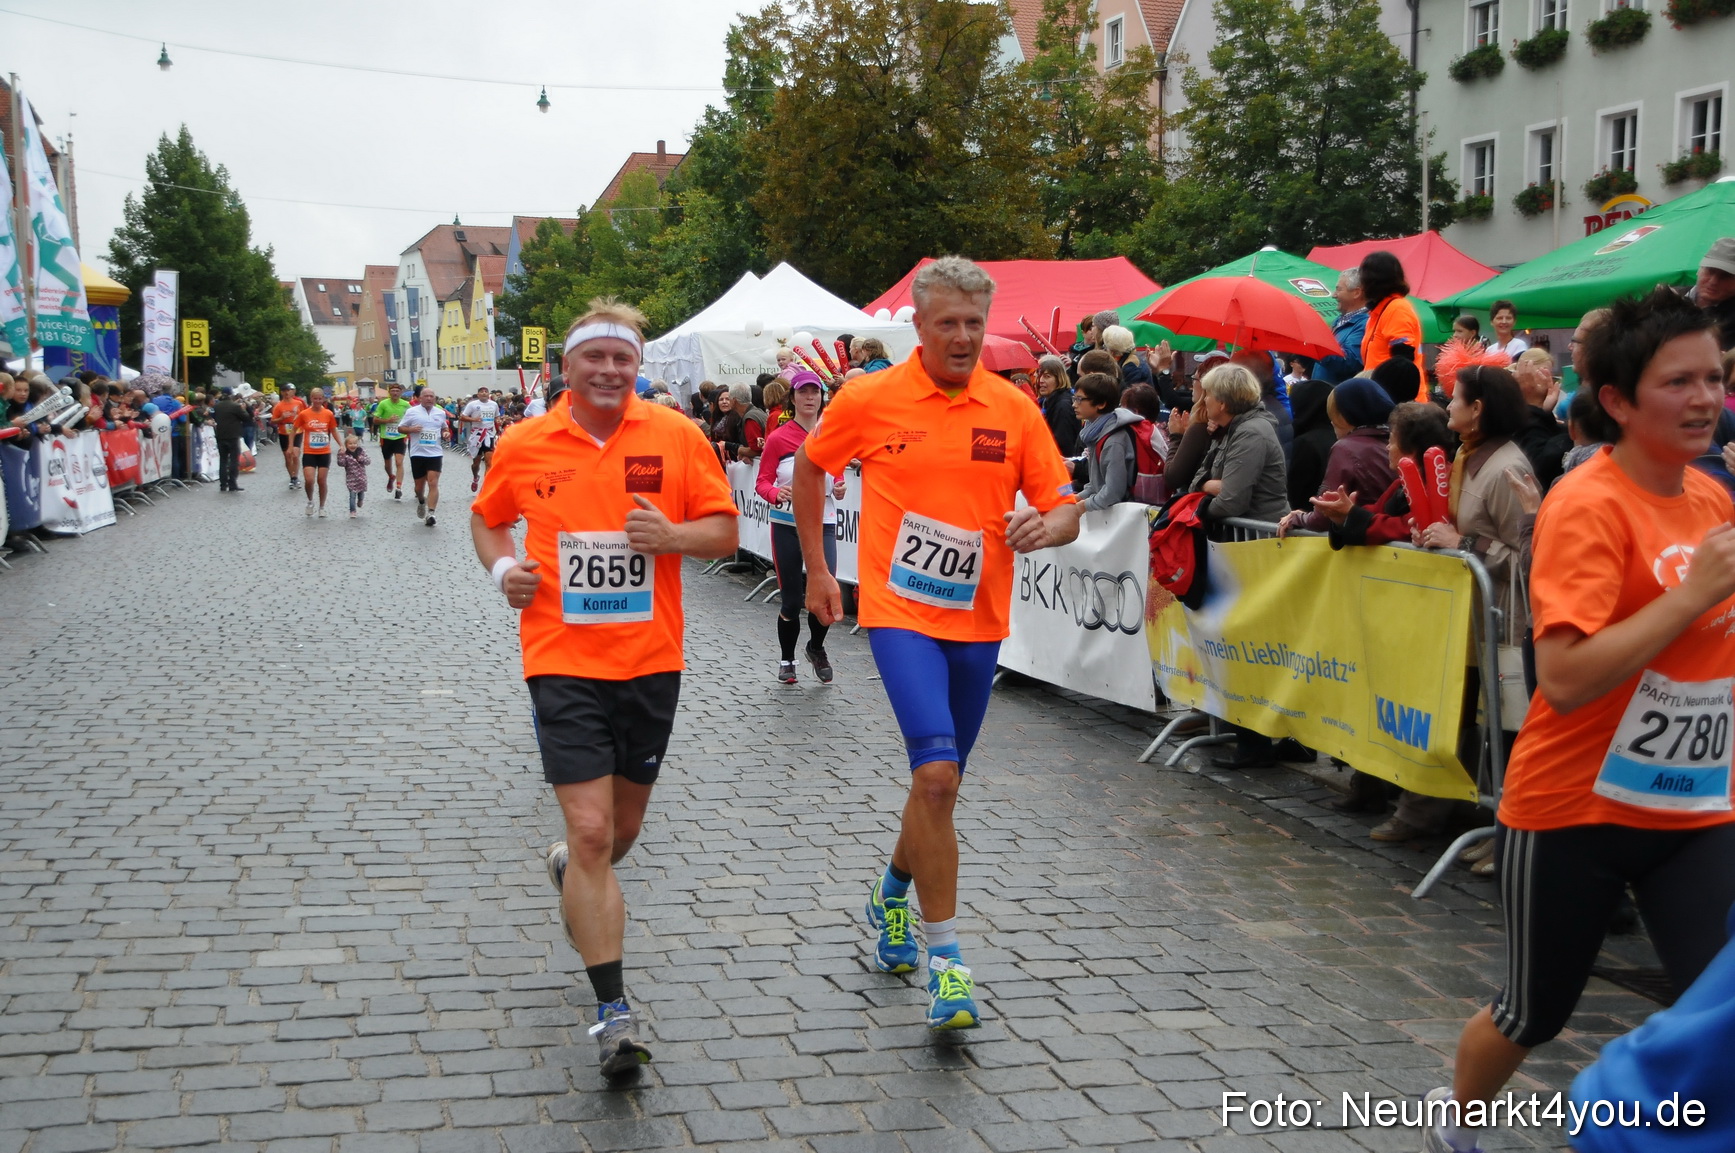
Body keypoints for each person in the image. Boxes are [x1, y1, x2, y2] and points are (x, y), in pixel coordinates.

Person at [1421, 286, 1735, 1153]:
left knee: (1719, 1000)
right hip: (1573, 809)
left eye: (1713, 377)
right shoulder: (1587, 502)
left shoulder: (1713, 499)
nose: (1704, 398)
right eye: (1677, 382)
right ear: (1617, 401)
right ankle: (1453, 1124)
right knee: (1534, 1010)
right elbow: (1562, 678)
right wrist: (1693, 594)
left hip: (1694, 809)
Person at [792, 256, 1081, 1031]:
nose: (961, 336)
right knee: (939, 775)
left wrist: (1044, 525)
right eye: (946, 322)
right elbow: (808, 469)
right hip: (899, 612)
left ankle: (889, 894)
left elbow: (1064, 508)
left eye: (973, 324)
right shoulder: (869, 396)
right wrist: (820, 568)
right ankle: (947, 964)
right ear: (916, 325)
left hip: (978, 619)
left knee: (936, 788)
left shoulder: (1013, 408)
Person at [470, 299, 738, 1079]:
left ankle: (571, 868)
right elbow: (486, 520)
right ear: (567, 365)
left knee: (617, 835)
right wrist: (502, 570)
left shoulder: (676, 434)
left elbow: (724, 530)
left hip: (651, 660)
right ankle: (613, 1013)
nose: (611, 370)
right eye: (596, 357)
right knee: (592, 833)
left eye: (624, 358)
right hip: (559, 656)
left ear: (638, 365)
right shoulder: (525, 442)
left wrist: (674, 536)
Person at [1379, 366, 1536, 844]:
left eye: (1456, 398)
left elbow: (1530, 553)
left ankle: (1506, 835)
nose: (1448, 405)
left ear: (1478, 409)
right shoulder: (1467, 457)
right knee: (1461, 721)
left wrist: (1461, 540)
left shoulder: (1507, 467)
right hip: (1465, 619)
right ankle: (1461, 819)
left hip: (1500, 624)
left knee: (1503, 732)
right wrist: (1432, 536)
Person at [755, 370, 847, 684]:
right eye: (803, 393)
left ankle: (816, 647)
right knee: (792, 599)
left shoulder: (830, 434)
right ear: (793, 399)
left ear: (822, 398)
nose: (809, 398)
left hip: (824, 522)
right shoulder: (779, 437)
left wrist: (839, 485)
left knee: (826, 592)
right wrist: (773, 492)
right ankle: (787, 660)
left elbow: (836, 473)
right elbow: (762, 481)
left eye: (814, 392)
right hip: (787, 523)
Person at [1279, 378, 1399, 535]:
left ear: (1344, 417)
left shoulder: (1345, 448)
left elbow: (1325, 511)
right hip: (1393, 542)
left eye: (1334, 415)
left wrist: (1298, 518)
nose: (1331, 422)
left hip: (1363, 541)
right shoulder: (1393, 440)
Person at [1074, 371, 1146, 510]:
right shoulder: (1096, 431)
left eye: (1079, 399)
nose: (1074, 405)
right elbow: (1096, 484)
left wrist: (1079, 508)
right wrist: (1074, 499)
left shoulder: (1114, 441)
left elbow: (1113, 493)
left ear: (1100, 404)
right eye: (1074, 398)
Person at [1512, 348, 1570, 488]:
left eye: (1549, 373)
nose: (1546, 379)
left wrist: (1544, 412)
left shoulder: (1556, 394)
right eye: (1540, 373)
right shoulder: (1508, 397)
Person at [1359, 251, 1423, 377]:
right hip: (1382, 392)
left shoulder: (1396, 308)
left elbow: (1403, 361)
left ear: (1372, 280)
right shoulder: (1380, 310)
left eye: (1362, 276)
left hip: (1395, 394)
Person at [398, 386, 449, 527]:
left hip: (435, 453)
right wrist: (411, 429)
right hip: (417, 453)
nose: (429, 398)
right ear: (419, 398)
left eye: (431, 396)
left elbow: (444, 427)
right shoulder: (411, 412)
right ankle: (421, 501)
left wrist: (445, 433)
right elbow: (400, 428)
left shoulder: (440, 413)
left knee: (433, 483)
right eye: (426, 396)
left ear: (435, 398)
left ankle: (431, 513)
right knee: (419, 488)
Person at [294, 388, 341, 517]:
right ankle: (310, 501)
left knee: (321, 480)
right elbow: (294, 429)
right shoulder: (304, 414)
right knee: (309, 480)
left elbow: (333, 430)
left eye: (320, 398)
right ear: (311, 399)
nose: (318, 401)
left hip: (324, 452)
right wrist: (293, 446)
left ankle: (322, 506)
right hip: (309, 452)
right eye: (315, 398)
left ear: (323, 399)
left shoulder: (328, 414)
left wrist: (341, 445)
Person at [1317, 268, 1368, 384]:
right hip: (1322, 396)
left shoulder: (1365, 324)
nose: (1334, 295)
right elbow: (1317, 363)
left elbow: (1349, 362)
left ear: (1356, 293)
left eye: (1339, 289)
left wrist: (1316, 343)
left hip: (1338, 398)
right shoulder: (1338, 321)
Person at [1686, 237, 1735, 350]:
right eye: (1710, 271)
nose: (1713, 281)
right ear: (1699, 270)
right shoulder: (1667, 296)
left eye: (1725, 276)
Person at [373, 382, 410, 499]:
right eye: (393, 391)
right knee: (387, 464)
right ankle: (391, 476)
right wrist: (387, 420)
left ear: (400, 393)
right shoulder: (383, 404)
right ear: (389, 392)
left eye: (397, 391)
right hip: (386, 437)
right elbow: (375, 420)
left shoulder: (406, 405)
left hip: (400, 436)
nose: (395, 393)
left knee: (399, 462)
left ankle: (399, 488)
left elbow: (413, 417)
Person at [461, 386, 502, 493]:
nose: (484, 393)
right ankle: (475, 477)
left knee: (489, 462)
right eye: (481, 392)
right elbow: (462, 417)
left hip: (489, 434)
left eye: (486, 392)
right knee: (476, 463)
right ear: (478, 394)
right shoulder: (472, 405)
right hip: (477, 435)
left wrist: (498, 421)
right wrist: (474, 419)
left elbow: (497, 417)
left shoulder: (493, 404)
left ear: (488, 394)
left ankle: (485, 487)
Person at [212, 387, 248, 493]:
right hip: (233, 435)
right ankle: (232, 483)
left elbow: (213, 416)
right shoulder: (235, 406)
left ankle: (223, 484)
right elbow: (246, 418)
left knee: (223, 460)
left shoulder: (216, 406)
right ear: (231, 395)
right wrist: (244, 409)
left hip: (220, 435)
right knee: (233, 460)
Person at [270, 385, 306, 488]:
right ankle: (292, 477)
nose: (286, 393)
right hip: (284, 432)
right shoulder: (279, 406)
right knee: (287, 456)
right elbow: (273, 420)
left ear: (292, 392)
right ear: (281, 393)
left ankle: (296, 477)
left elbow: (304, 415)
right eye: (284, 391)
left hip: (297, 431)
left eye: (288, 391)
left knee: (295, 454)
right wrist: (281, 418)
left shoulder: (298, 403)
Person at [335, 433, 370, 518]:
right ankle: (352, 511)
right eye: (350, 444)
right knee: (352, 495)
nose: (352, 445)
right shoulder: (345, 454)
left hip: (361, 478)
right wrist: (340, 454)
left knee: (361, 492)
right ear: (346, 445)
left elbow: (368, 461)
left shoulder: (361, 452)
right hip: (351, 478)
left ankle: (361, 500)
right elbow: (341, 463)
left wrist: (361, 459)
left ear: (357, 444)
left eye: (354, 443)